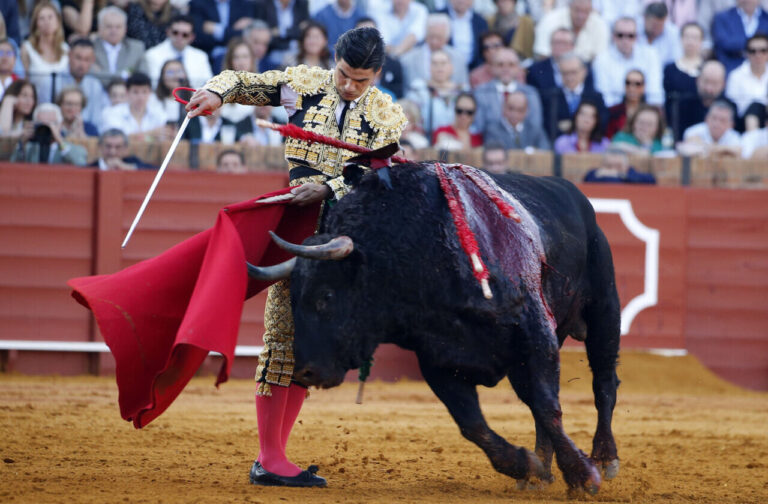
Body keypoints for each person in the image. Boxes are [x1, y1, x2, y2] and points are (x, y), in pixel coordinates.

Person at [185, 26, 406, 488]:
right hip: (296, 232)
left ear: (377, 75)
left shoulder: (386, 115)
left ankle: (278, 454)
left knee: (313, 346)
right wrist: (214, 93)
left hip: (346, 240)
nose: (349, 86)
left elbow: (381, 177)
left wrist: (329, 187)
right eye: (345, 74)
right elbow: (245, 82)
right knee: (282, 334)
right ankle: (270, 458)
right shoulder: (301, 84)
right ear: (334, 61)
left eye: (361, 80)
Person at [592, 17, 664, 107]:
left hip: (644, 110)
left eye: (630, 36)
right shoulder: (602, 59)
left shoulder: (650, 55)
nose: (625, 40)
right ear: (613, 36)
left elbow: (654, 93)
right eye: (620, 35)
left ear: (636, 37)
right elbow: (605, 97)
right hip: (615, 114)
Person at [473, 47, 542, 135]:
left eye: (511, 64)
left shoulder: (530, 93)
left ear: (518, 68)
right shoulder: (480, 92)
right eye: (500, 65)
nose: (506, 69)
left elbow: (535, 125)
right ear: (492, 68)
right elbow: (479, 125)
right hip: (491, 144)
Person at [38, 38, 105, 125]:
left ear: (93, 60)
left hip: (87, 134)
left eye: (87, 59)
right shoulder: (50, 81)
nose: (82, 64)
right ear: (69, 55)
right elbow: (43, 116)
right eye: (78, 58)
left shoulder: (95, 85)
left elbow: (96, 120)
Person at [541, 51, 606, 140]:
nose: (569, 77)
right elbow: (548, 127)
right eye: (565, 73)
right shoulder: (551, 97)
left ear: (584, 71)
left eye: (573, 72)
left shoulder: (596, 97)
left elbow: (602, 123)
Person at [140, 14, 213, 89]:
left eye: (185, 35)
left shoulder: (201, 57)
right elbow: (154, 85)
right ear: (168, 32)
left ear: (192, 37)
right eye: (175, 32)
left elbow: (207, 85)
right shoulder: (152, 55)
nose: (179, 37)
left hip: (194, 99)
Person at [405, 49, 465, 139]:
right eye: (435, 63)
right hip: (424, 140)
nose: (439, 67)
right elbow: (411, 118)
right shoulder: (418, 89)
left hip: (456, 140)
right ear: (429, 67)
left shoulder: (462, 91)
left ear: (451, 67)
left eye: (443, 63)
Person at [399, 13, 468, 88]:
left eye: (439, 37)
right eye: (431, 36)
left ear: (447, 38)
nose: (434, 41)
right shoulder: (408, 60)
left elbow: (464, 88)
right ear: (425, 35)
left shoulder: (458, 59)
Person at [10, 102, 87, 165]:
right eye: (41, 124)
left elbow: (80, 164)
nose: (46, 128)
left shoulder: (71, 148)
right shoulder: (28, 148)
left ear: (60, 125)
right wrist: (22, 143)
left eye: (52, 124)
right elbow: (11, 167)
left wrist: (59, 140)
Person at [533, 0, 609, 62]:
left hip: (585, 73)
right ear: (569, 7)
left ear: (591, 10)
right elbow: (542, 54)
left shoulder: (599, 24)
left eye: (586, 11)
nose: (581, 16)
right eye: (577, 10)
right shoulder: (550, 20)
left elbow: (600, 58)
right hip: (554, 71)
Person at [20, 2, 69, 97]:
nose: (47, 22)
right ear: (36, 23)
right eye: (42, 18)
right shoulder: (27, 48)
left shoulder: (66, 48)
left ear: (58, 21)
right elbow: (24, 81)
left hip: (62, 106)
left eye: (50, 17)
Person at [101, 72, 169, 139]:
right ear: (127, 93)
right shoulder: (112, 113)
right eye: (135, 92)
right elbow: (114, 138)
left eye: (144, 92)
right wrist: (151, 133)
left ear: (150, 93)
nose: (140, 97)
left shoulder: (159, 113)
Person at [92, 6, 145, 85]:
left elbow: (143, 77)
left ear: (125, 29)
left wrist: (102, 73)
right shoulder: (91, 47)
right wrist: (124, 75)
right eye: (109, 26)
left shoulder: (136, 48)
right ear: (99, 28)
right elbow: (90, 75)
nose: (114, 31)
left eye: (118, 27)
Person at [663, 22, 704, 123]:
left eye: (695, 37)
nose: (690, 41)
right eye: (687, 37)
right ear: (681, 39)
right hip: (675, 120)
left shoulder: (707, 69)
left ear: (701, 41)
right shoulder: (669, 69)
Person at [712, 0, 768, 73]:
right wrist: (758, 45)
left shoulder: (765, 18)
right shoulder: (722, 18)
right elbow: (724, 44)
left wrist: (739, 46)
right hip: (730, 69)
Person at [725, 34, 768, 129]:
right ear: (747, 53)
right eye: (753, 51)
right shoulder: (736, 76)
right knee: (755, 108)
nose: (758, 55)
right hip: (743, 122)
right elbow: (732, 107)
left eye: (763, 50)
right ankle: (751, 141)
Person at [483, 90, 550, 150]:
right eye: (511, 108)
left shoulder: (535, 129)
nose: (515, 114)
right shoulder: (492, 130)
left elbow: (545, 150)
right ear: (503, 107)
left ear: (527, 111)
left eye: (520, 110)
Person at [678, 100, 742, 157]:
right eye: (714, 118)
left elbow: (738, 152)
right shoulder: (693, 131)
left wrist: (706, 148)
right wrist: (724, 151)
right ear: (706, 118)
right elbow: (688, 148)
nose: (717, 124)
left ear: (730, 124)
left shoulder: (734, 136)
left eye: (722, 120)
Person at [253, 0, 309, 64]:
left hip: (297, 49)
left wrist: (281, 31)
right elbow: (264, 33)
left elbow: (304, 30)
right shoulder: (263, 4)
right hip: (272, 51)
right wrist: (295, 30)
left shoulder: (301, 3)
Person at [438, 0, 490, 69]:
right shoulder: (438, 17)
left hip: (474, 69)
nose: (461, 1)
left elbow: (483, 48)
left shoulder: (480, 21)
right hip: (444, 68)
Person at [636, 2, 682, 67]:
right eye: (654, 25)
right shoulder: (633, 28)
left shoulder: (673, 32)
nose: (656, 29)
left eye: (660, 25)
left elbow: (675, 60)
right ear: (644, 18)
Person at [89, 127, 157, 170]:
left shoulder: (131, 162)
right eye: (108, 146)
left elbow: (158, 172)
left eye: (118, 147)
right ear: (100, 147)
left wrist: (127, 167)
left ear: (125, 149)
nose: (112, 152)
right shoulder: (91, 167)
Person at [605, 69, 647, 139]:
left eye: (637, 84)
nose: (632, 88)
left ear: (644, 87)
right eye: (628, 83)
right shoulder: (612, 112)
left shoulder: (651, 113)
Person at [583, 147, 657, 183]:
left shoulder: (631, 174)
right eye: (609, 166)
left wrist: (619, 174)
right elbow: (587, 179)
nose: (613, 170)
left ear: (626, 166)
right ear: (602, 165)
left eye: (618, 166)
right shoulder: (595, 173)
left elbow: (651, 180)